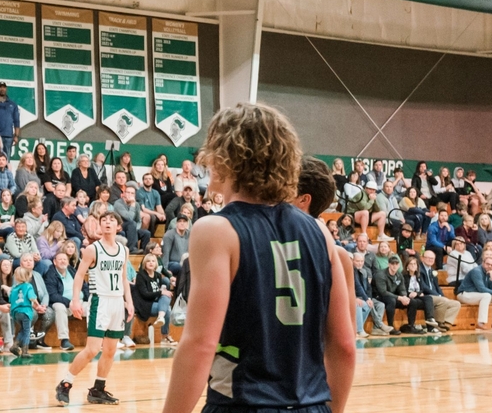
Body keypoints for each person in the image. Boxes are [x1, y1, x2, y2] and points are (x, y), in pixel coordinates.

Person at [161, 103, 355, 413]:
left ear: (224, 159)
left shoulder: (215, 229)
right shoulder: (320, 232)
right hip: (312, 405)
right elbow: (344, 346)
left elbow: (200, 346)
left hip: (243, 403)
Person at [56, 212, 131, 405]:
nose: (107, 222)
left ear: (118, 227)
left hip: (116, 302)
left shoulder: (124, 250)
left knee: (110, 350)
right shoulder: (92, 249)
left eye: (112, 220)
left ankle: (98, 389)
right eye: (104, 220)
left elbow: (124, 278)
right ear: (99, 226)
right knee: (92, 349)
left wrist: (128, 302)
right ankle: (65, 383)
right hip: (100, 301)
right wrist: (75, 300)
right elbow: (80, 275)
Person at [457, 255, 492, 332]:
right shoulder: (477, 271)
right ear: (483, 263)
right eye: (487, 264)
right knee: (487, 295)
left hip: (476, 295)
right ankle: (481, 323)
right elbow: (481, 289)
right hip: (464, 294)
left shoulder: (490, 273)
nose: (489, 266)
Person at [8, 266, 39, 357]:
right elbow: (32, 297)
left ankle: (15, 345)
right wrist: (37, 303)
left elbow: (10, 300)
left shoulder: (13, 288)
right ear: (28, 276)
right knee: (27, 331)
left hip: (15, 313)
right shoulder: (28, 286)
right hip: (25, 311)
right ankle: (25, 351)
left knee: (22, 329)